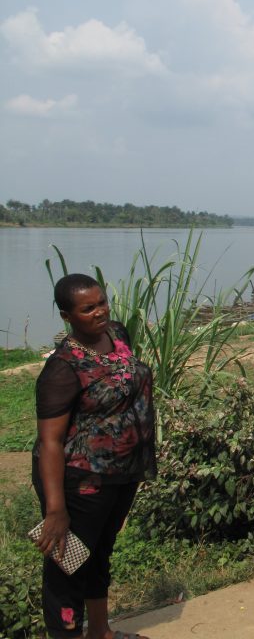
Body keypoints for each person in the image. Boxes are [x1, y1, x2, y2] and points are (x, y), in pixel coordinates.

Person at [32, 274, 156, 639]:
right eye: (88, 309)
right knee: (67, 567)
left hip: (121, 473)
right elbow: (50, 441)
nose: (100, 312)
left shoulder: (117, 334)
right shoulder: (63, 367)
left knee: (99, 553)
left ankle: (101, 632)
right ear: (66, 315)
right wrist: (56, 509)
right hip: (79, 481)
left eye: (101, 302)